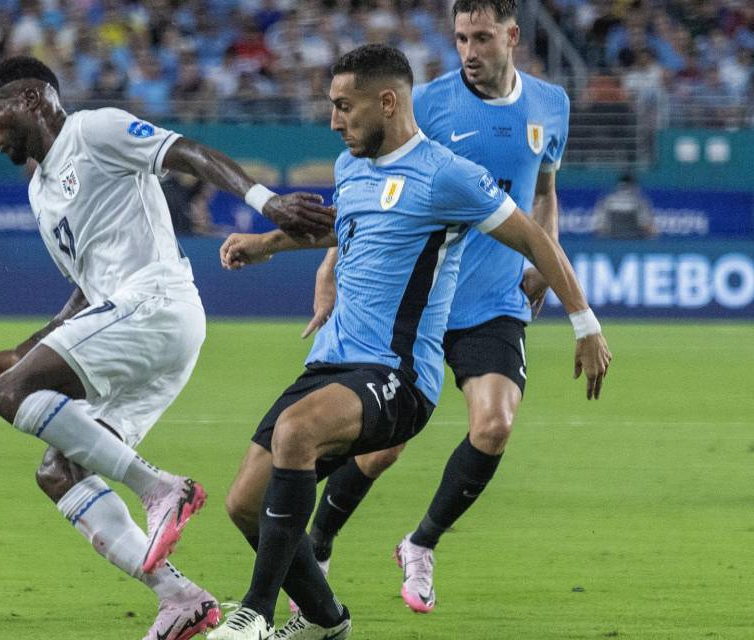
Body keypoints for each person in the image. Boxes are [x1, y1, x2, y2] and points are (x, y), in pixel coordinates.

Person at [209, 44, 610, 640]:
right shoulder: (352, 167)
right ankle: (326, 622)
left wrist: (585, 323)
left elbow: (534, 239)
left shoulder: (447, 175)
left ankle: (255, 615)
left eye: (344, 106)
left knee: (296, 431)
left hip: (397, 376)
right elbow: (345, 226)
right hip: (332, 363)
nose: (334, 120)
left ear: (388, 103)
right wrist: (266, 244)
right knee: (244, 503)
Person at [0, 56, 333, 640]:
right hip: (133, 323)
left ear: (33, 99)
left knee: (14, 396)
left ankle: (158, 488)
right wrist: (26, 346)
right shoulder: (40, 191)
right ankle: (180, 598)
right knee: (58, 470)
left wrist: (266, 203)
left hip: (157, 303)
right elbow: (88, 292)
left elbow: (185, 151)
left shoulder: (92, 130)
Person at [286, 0, 576, 616]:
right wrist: (330, 267)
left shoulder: (551, 105)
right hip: (413, 306)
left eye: (481, 37)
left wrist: (540, 260)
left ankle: (420, 543)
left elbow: (544, 192)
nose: (469, 51)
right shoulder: (434, 103)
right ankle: (319, 539)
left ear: (512, 36)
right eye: (460, 38)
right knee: (381, 447)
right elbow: (374, 188)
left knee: (494, 424)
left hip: (492, 300)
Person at [594, 172, 657, 239]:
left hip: (612, 239)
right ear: (634, 185)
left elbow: (599, 228)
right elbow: (647, 226)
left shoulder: (606, 200)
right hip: (635, 240)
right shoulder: (640, 201)